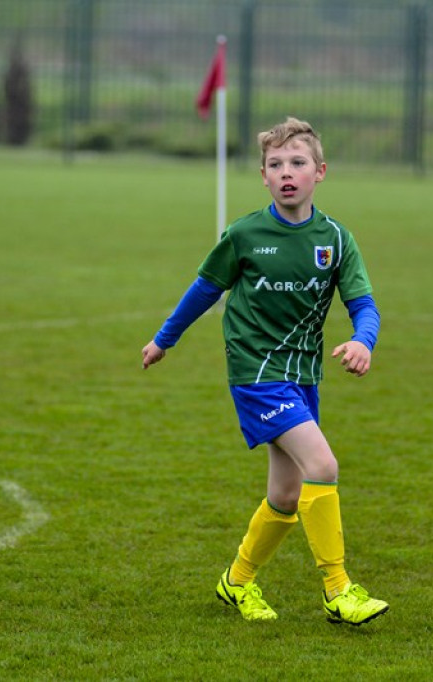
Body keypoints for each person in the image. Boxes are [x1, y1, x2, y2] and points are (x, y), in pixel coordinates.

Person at [141, 117, 389, 625]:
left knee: (286, 494)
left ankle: (237, 581)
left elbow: (364, 304)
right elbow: (204, 291)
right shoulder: (246, 234)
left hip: (301, 375)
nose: (286, 172)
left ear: (320, 171)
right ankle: (338, 590)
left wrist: (364, 341)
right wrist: (164, 339)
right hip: (255, 373)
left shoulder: (336, 239)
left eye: (297, 162)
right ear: (263, 177)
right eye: (275, 165)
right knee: (323, 466)